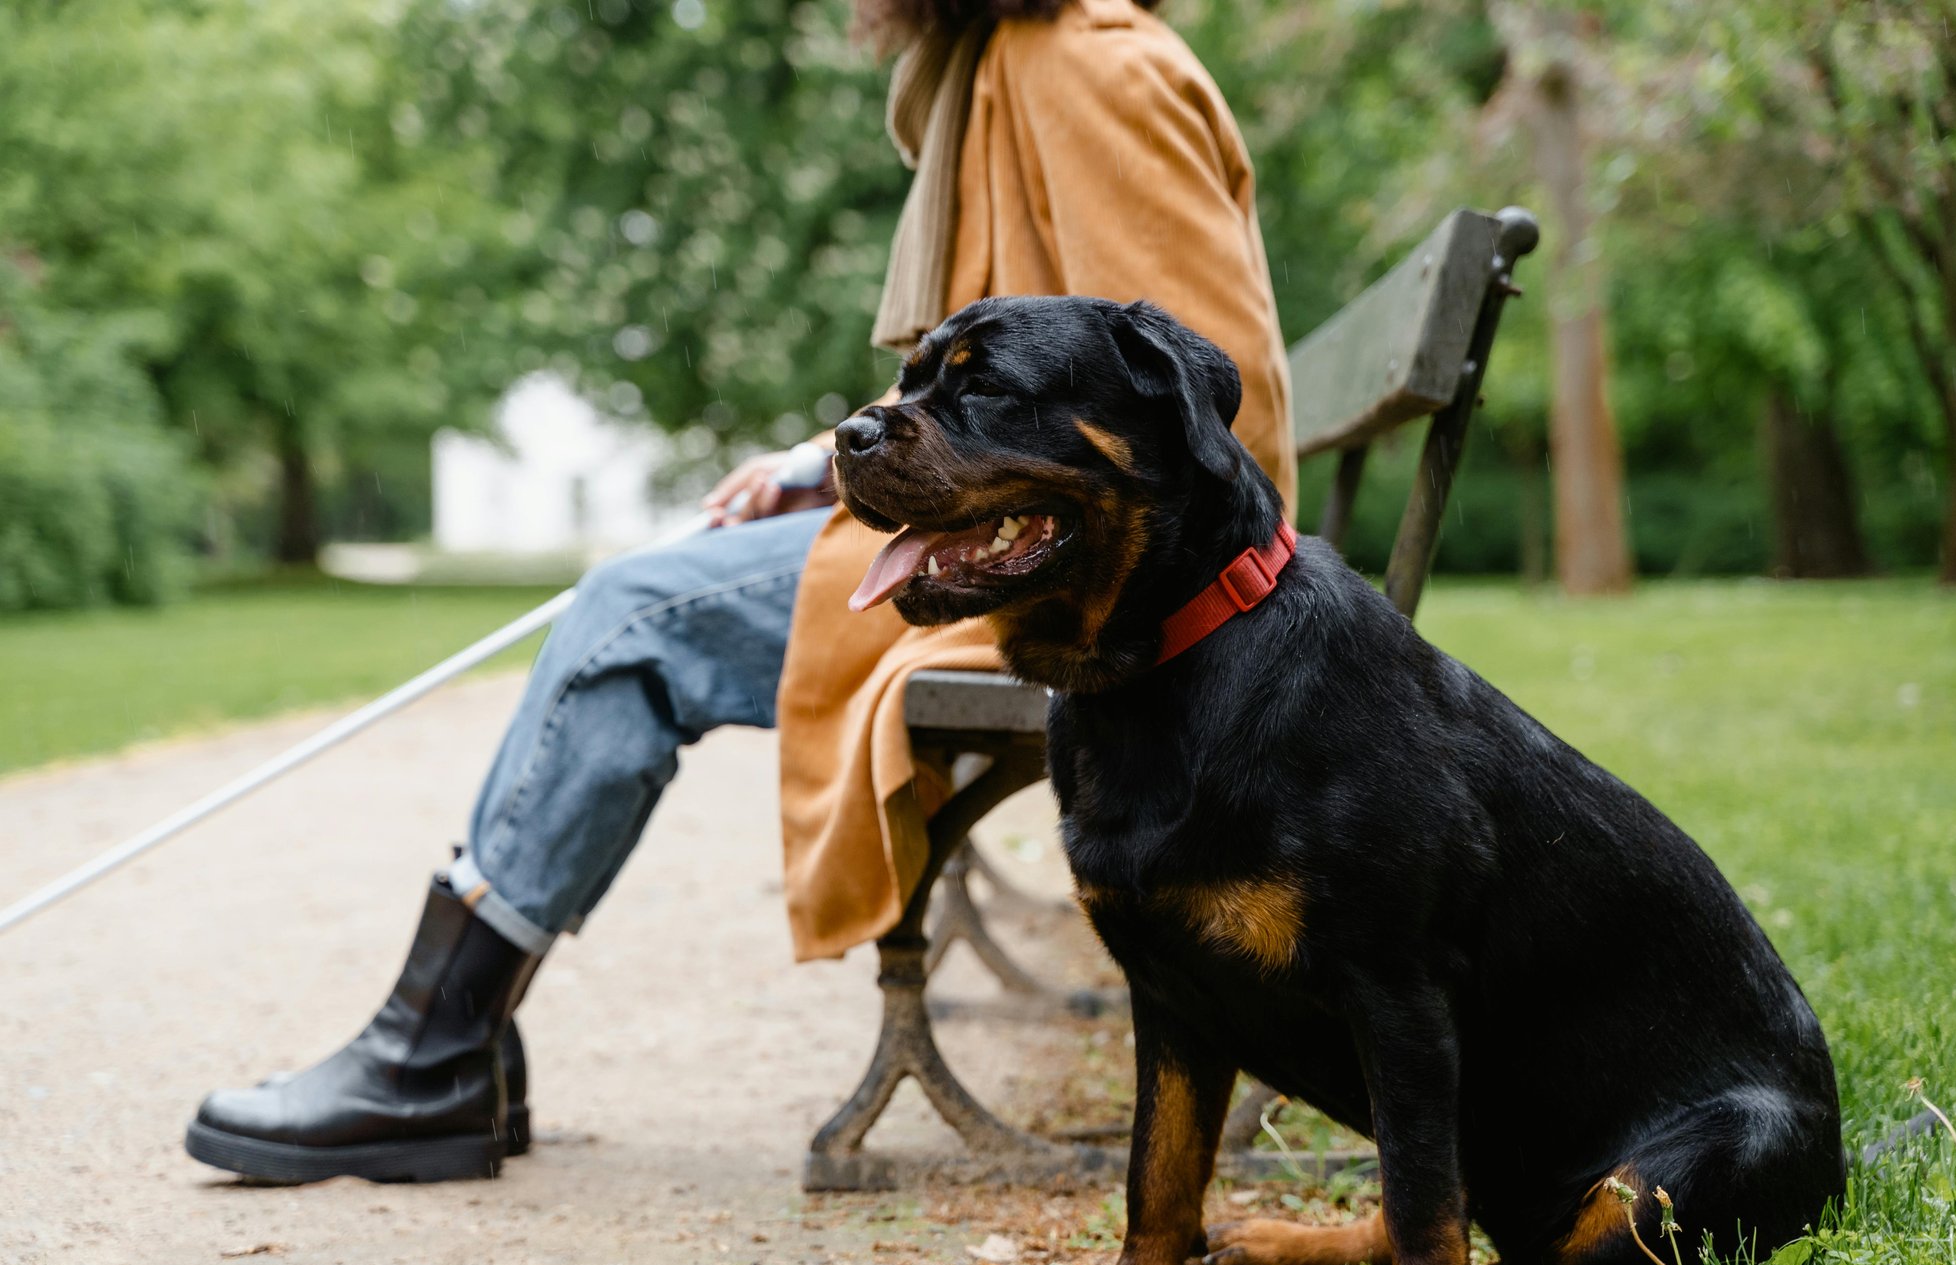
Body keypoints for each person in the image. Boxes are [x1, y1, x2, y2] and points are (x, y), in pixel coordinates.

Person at [185, 0, 1297, 1184]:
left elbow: (1209, 393)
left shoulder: (1081, 66)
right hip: (1022, 536)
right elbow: (1004, 381)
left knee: (629, 620)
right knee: (634, 599)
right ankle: (452, 1045)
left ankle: (432, 1056)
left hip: (1130, 592)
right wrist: (817, 466)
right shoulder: (995, 65)